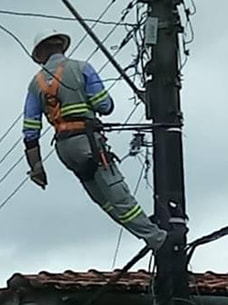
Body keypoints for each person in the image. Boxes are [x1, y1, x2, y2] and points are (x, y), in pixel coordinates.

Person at [22, 29, 168, 251]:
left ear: (40, 53)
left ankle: (146, 230)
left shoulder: (36, 84)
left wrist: (36, 168)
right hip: (87, 142)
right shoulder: (81, 68)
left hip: (65, 149)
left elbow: (30, 131)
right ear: (62, 45)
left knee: (103, 198)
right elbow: (104, 105)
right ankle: (157, 238)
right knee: (116, 191)